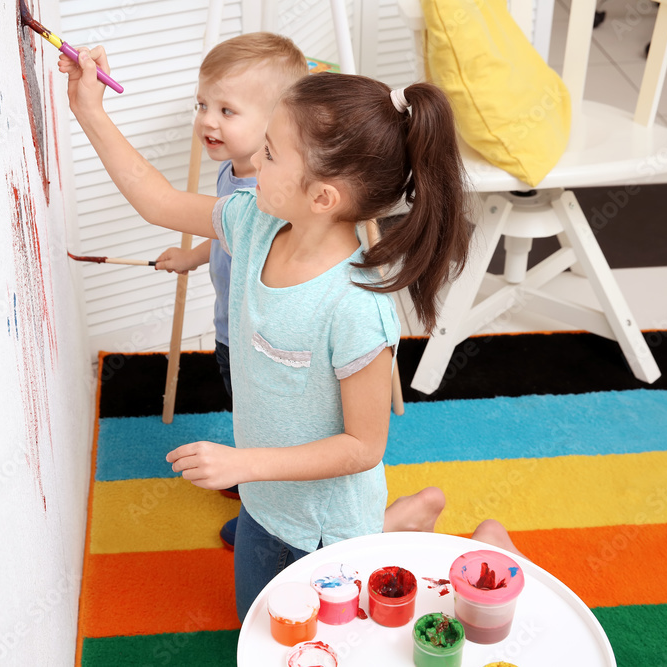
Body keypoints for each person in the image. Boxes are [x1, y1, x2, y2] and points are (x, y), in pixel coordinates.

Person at [61, 45, 517, 621]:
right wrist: (88, 110)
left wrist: (243, 463)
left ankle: (472, 542)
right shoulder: (253, 220)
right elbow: (160, 202)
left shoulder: (355, 308)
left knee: (351, 638)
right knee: (261, 630)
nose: (254, 160)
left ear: (322, 197)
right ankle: (405, 518)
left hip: (329, 532)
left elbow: (363, 447)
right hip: (263, 506)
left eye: (271, 153)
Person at [153, 35, 310, 539]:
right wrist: (193, 256)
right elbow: (226, 235)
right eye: (203, 105)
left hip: (260, 341)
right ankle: (249, 475)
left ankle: (264, 510)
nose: (207, 120)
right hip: (229, 330)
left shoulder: (270, 195)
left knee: (262, 424)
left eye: (227, 109)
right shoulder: (229, 172)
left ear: (275, 124)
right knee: (243, 412)